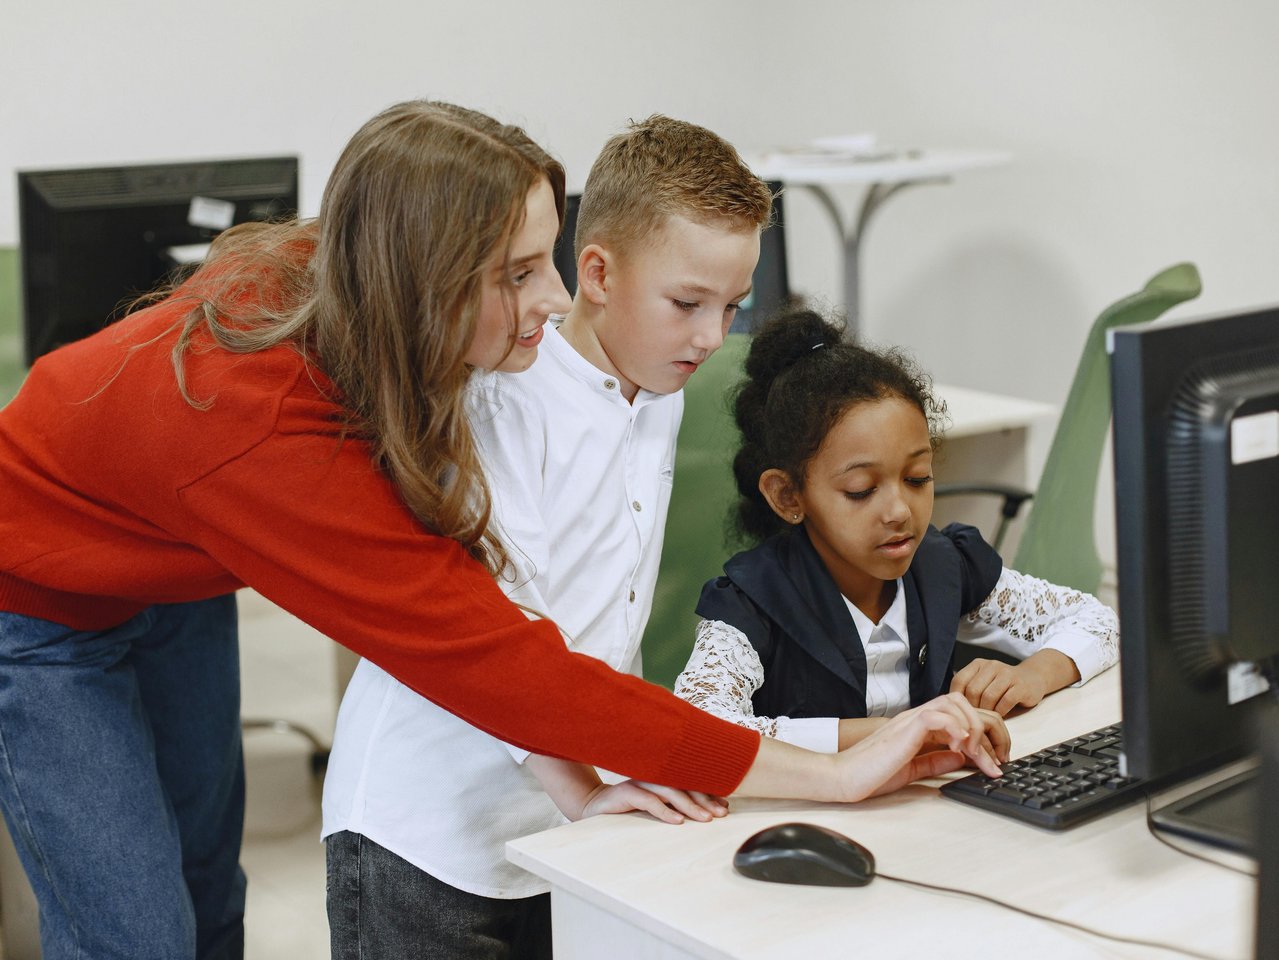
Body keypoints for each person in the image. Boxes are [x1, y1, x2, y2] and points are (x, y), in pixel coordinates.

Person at [0, 101, 1005, 960]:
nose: (556, 298)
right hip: (31, 594)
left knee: (207, 888)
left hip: (164, 564)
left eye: (546, 256)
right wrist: (830, 777)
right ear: (427, 284)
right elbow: (511, 671)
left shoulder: (365, 278)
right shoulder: (266, 435)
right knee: (138, 931)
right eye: (518, 273)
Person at [322, 114, 773, 959]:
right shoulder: (503, 398)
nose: (713, 337)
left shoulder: (658, 387)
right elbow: (507, 636)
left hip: (558, 820)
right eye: (688, 304)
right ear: (596, 272)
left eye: (731, 307)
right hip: (423, 833)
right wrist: (582, 790)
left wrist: (597, 785)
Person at [675, 308, 1119, 753]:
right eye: (861, 490)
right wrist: (908, 733)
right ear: (789, 496)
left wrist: (1029, 676)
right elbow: (697, 731)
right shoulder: (753, 603)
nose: (899, 511)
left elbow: (1099, 622)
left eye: (917, 478)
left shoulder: (943, 565)